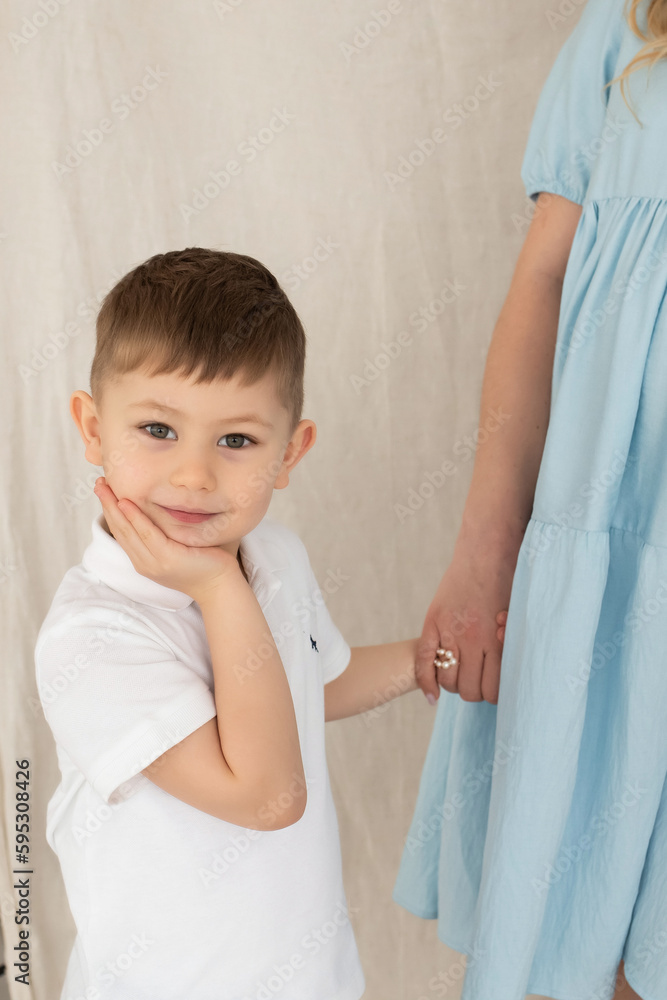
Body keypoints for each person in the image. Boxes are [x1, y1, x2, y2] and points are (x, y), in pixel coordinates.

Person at [35, 247, 487, 998]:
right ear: (92, 427)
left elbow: (315, 684)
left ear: (289, 452)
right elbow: (266, 796)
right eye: (157, 429)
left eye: (236, 440)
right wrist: (217, 589)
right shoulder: (92, 639)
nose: (194, 475)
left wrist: (429, 660)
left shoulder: (273, 556)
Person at [393, 0, 667, 998]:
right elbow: (542, 280)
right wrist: (481, 555)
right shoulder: (629, 31)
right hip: (608, 571)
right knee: (577, 941)